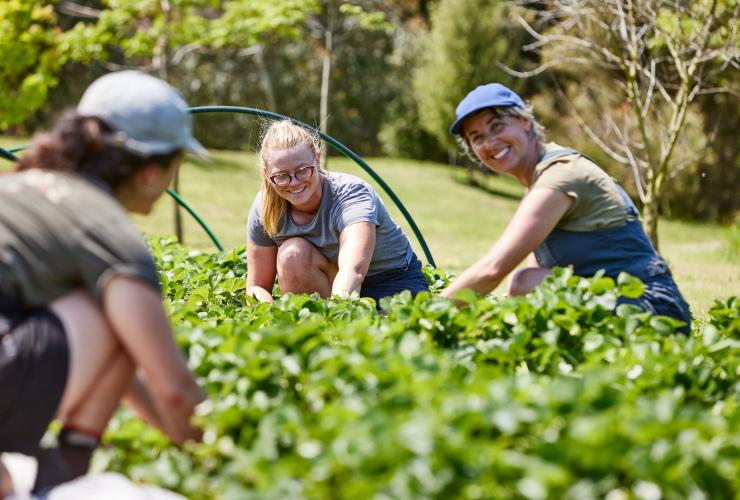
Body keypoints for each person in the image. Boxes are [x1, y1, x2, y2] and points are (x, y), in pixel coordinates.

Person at [0, 70, 207, 496]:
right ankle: (64, 470)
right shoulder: (110, 232)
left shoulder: (17, 186)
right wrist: (218, 455)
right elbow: (174, 389)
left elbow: (120, 375)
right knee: (114, 312)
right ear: (151, 172)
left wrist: (170, 429)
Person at [441, 83, 691, 331]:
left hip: (654, 309)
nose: (490, 142)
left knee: (525, 283)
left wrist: (426, 314)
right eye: (477, 138)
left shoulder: (560, 175)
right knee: (530, 282)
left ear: (524, 121)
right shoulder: (538, 182)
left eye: (497, 126)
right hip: (623, 304)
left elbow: (493, 270)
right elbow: (538, 272)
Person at [246, 120, 429, 305]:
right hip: (334, 279)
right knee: (293, 254)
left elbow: (353, 271)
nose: (294, 183)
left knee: (376, 328)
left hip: (392, 284)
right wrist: (270, 317)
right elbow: (256, 286)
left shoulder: (350, 194)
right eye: (282, 176)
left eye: (302, 171)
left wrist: (339, 314)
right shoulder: (264, 207)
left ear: (317, 159)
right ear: (268, 175)